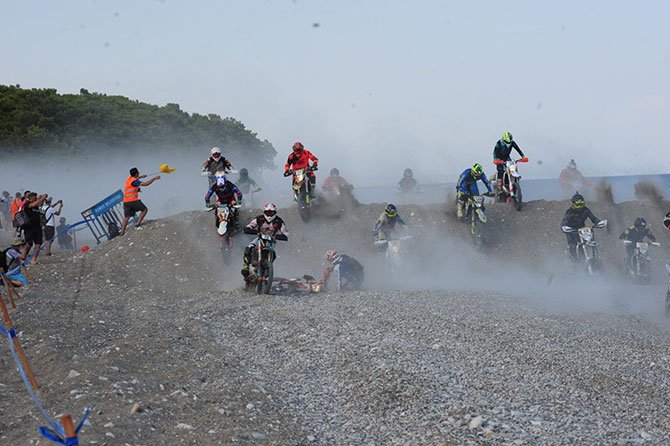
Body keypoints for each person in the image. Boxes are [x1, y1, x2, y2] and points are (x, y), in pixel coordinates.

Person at [241, 202, 289, 277]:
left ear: (274, 212)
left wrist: (282, 236)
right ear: (264, 212)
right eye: (267, 213)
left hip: (271, 240)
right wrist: (249, 229)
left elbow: (285, 232)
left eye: (271, 213)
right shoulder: (259, 218)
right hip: (260, 238)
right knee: (249, 248)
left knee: (273, 254)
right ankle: (246, 266)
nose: (269, 215)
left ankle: (267, 269)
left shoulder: (279, 221)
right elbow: (251, 225)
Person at [560, 192, 602, 262]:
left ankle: (596, 257)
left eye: (581, 204)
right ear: (573, 204)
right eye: (578, 205)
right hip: (572, 231)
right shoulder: (569, 212)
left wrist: (598, 223)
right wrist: (564, 227)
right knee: (573, 245)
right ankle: (575, 262)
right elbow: (564, 222)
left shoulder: (586, 210)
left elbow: (593, 218)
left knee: (591, 241)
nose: (580, 207)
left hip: (582, 230)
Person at [120, 167, 161, 236]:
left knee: (126, 217)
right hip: (133, 200)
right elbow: (146, 184)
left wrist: (141, 177)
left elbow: (134, 182)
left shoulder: (129, 179)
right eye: (138, 172)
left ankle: (122, 232)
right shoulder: (135, 181)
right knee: (144, 209)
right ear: (136, 173)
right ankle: (138, 223)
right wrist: (154, 178)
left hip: (126, 202)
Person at [21, 192, 48, 264]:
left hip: (37, 227)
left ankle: (33, 259)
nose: (35, 198)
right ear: (30, 198)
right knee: (29, 244)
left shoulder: (37, 206)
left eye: (35, 197)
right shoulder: (27, 204)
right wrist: (43, 198)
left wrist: (44, 225)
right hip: (29, 227)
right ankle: (23, 255)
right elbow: (33, 204)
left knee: (38, 244)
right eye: (34, 197)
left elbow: (38, 216)